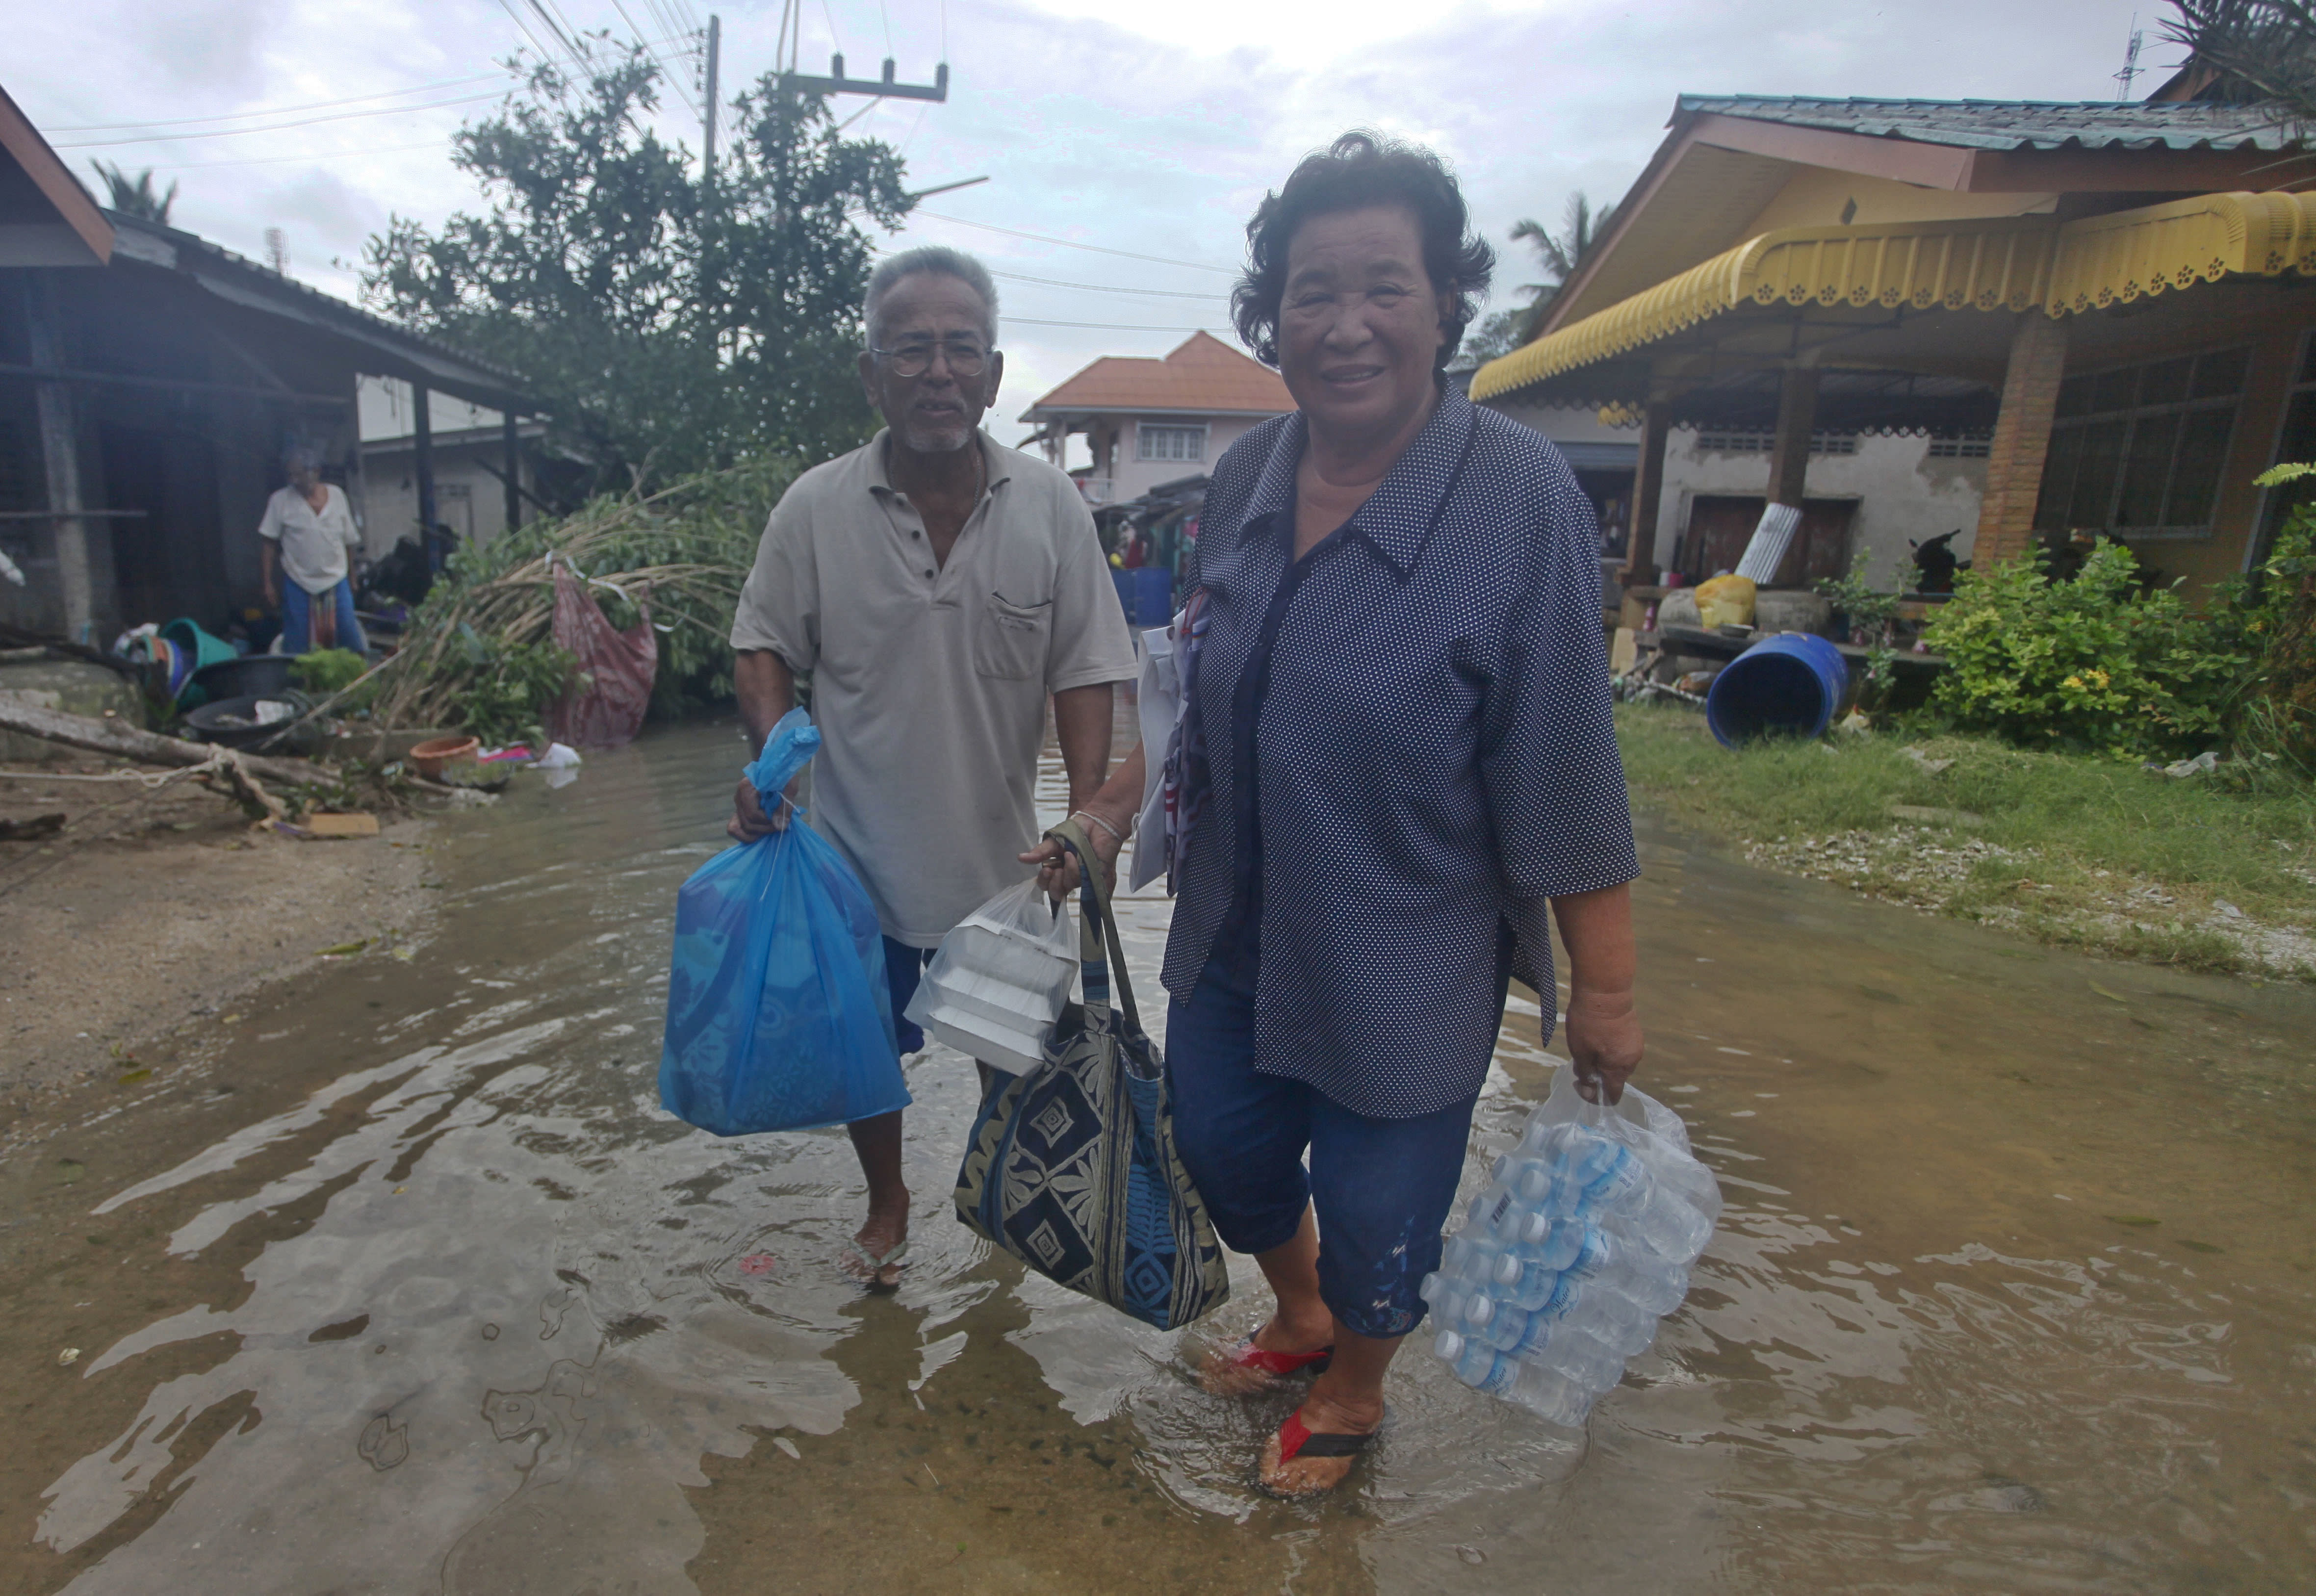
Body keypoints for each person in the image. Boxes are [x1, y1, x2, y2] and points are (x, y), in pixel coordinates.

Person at [1025, 132, 1645, 1496]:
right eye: (1313, 291)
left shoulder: (1518, 500)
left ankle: (1356, 1383)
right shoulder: (1246, 479)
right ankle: (1298, 1313)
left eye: (1385, 287)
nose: (1347, 323)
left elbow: (1562, 759)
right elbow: (1190, 684)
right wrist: (1118, 807)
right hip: (1239, 912)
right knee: (1224, 1145)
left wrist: (1601, 987)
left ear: (1441, 306)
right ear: (1274, 315)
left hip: (1404, 934)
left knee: (1380, 1206)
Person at [727, 245, 1138, 1288]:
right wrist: (773, 765)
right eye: (911, 350)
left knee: (1011, 1058)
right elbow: (763, 644)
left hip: (1004, 864)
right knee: (870, 1062)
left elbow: (1087, 671)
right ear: (872, 375)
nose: (939, 372)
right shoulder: (814, 508)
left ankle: (998, 1201)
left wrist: (1089, 819)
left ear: (994, 376)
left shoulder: (1050, 506)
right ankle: (889, 1201)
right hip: (854, 865)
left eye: (961, 350)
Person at [258, 443, 366, 655]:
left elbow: (348, 541)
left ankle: (359, 680)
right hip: (299, 580)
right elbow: (268, 543)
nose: (293, 481)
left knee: (347, 632)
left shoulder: (337, 496)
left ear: (316, 472)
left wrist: (352, 577)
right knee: (297, 639)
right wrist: (268, 583)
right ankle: (299, 685)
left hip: (336, 578)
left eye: (298, 475)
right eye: (290, 475)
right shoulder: (280, 501)